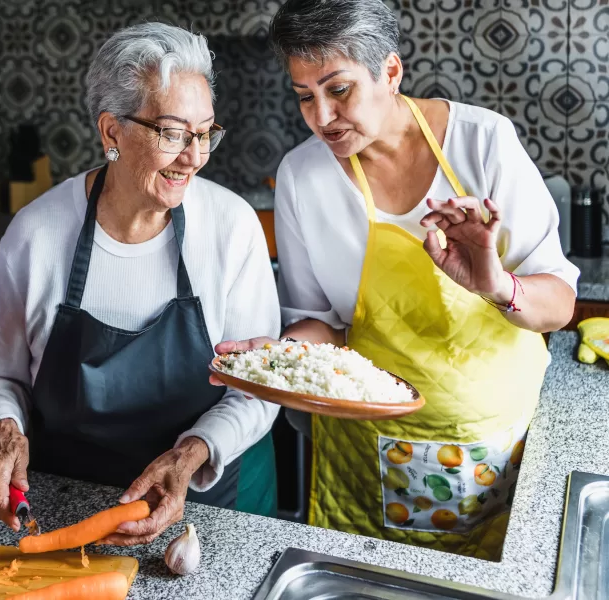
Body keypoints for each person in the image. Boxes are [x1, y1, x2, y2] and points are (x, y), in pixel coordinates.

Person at [213, 0, 579, 559]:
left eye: (338, 90)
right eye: (304, 96)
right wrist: (277, 358)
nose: (321, 117)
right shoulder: (302, 176)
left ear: (390, 71)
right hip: (363, 452)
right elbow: (324, 327)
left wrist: (498, 285)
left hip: (493, 444)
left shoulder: (483, 143)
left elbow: (559, 304)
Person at [0, 22, 281, 546]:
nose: (195, 156)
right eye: (173, 133)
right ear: (112, 132)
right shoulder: (36, 235)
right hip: (70, 513)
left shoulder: (232, 226)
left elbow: (259, 388)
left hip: (212, 511)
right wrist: (1, 427)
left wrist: (192, 453)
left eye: (205, 133)